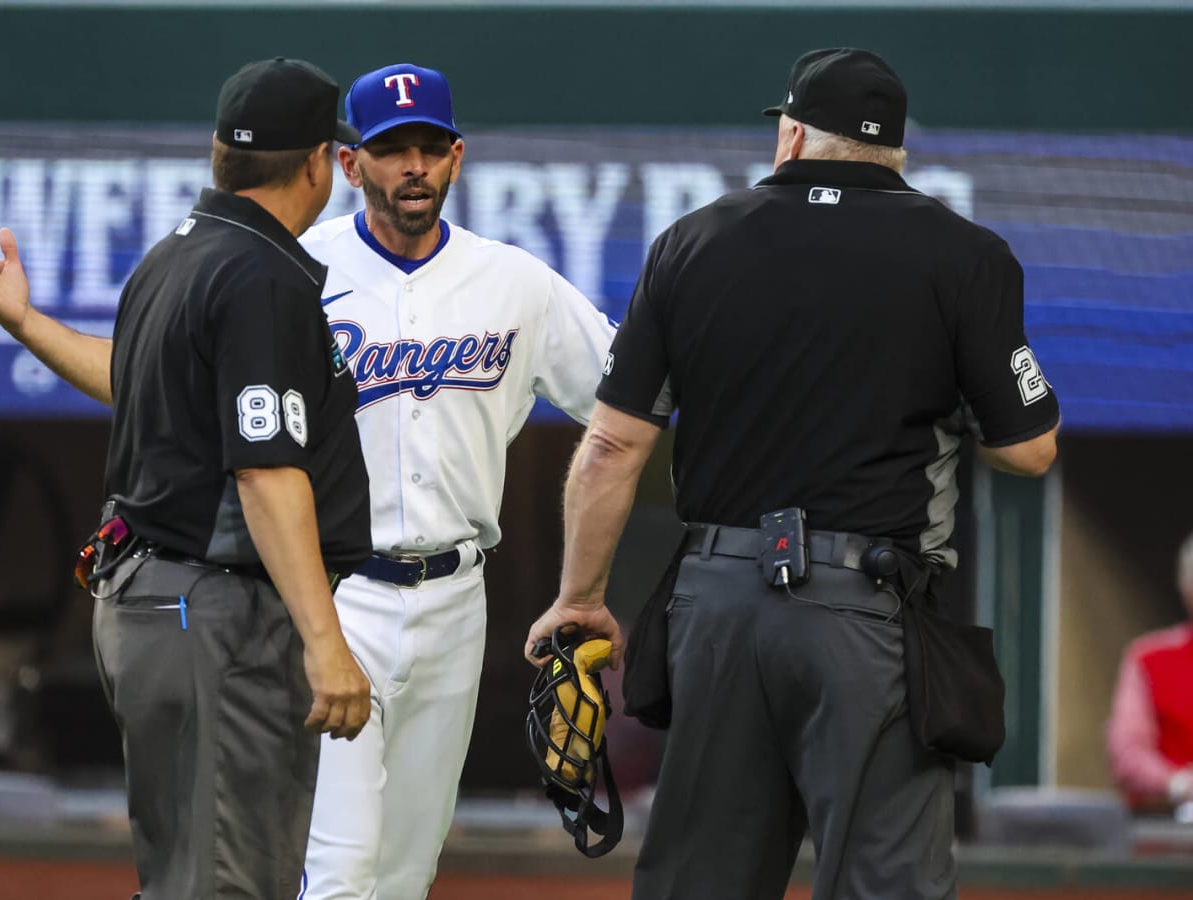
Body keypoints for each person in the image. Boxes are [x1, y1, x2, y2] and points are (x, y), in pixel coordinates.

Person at [525, 48, 1060, 900]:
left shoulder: (693, 239)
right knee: (885, 883)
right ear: (895, 151)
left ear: (793, 134)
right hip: (867, 610)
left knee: (700, 882)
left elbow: (610, 447)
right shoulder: (965, 254)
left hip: (719, 600)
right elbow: (1030, 448)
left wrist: (581, 597)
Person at [0, 57, 372, 899]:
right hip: (209, 609)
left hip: (159, 596)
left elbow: (137, 380)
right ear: (318, 165)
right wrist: (326, 642)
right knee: (227, 880)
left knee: (191, 876)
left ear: (221, 152)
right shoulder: (261, 274)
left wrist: (25, 323)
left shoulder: (179, 252)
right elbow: (265, 473)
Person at [293, 62, 616, 899]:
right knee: (337, 871)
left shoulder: (515, 282)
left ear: (457, 157)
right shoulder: (297, 271)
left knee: (406, 871)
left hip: (455, 597)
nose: (414, 168)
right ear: (347, 161)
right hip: (338, 593)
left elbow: (626, 394)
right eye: (392, 149)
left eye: (430, 149)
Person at [1107, 530, 1193, 816]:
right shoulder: (1149, 658)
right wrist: (1177, 783)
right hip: (1171, 827)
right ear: (1185, 587)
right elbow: (1127, 753)